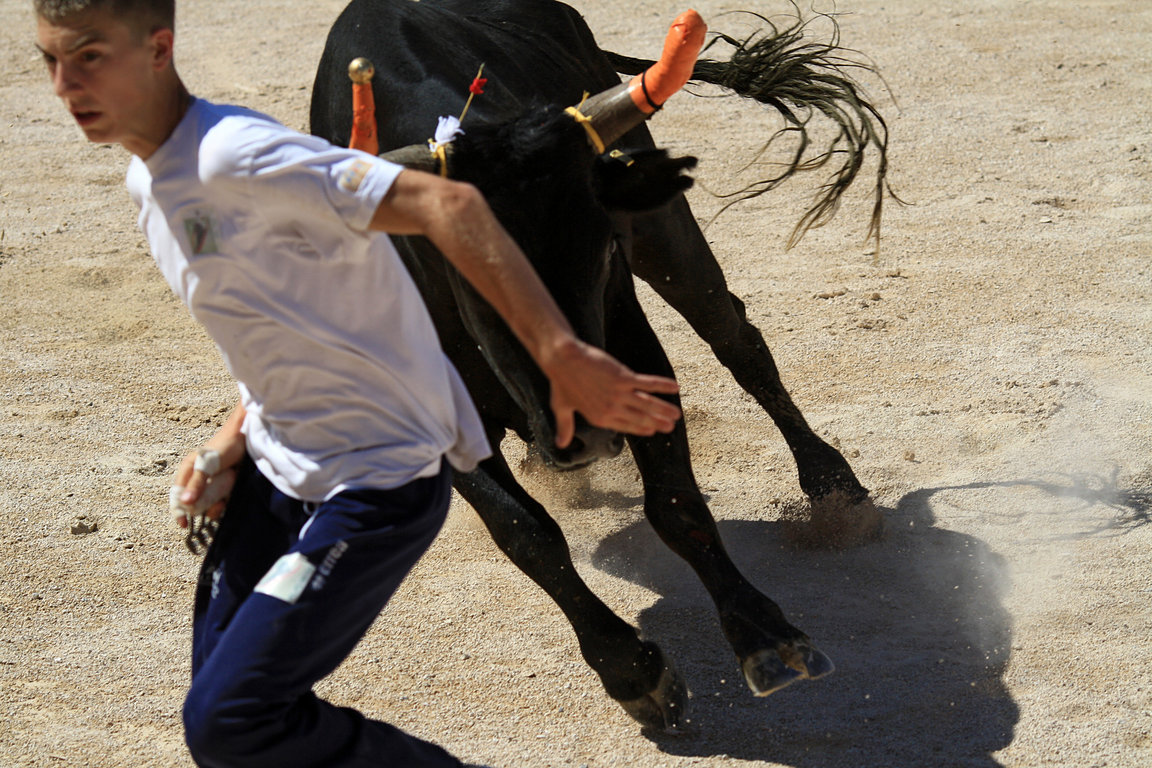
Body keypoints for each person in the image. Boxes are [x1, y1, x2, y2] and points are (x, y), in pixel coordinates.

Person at [34, 1, 683, 765]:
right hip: (276, 469)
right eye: (50, 61)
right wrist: (225, 443)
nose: (64, 85)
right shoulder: (153, 183)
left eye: (88, 57)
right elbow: (288, 315)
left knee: (230, 721)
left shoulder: (236, 156)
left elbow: (452, 203)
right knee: (227, 723)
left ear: (157, 50)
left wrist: (562, 354)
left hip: (376, 483)